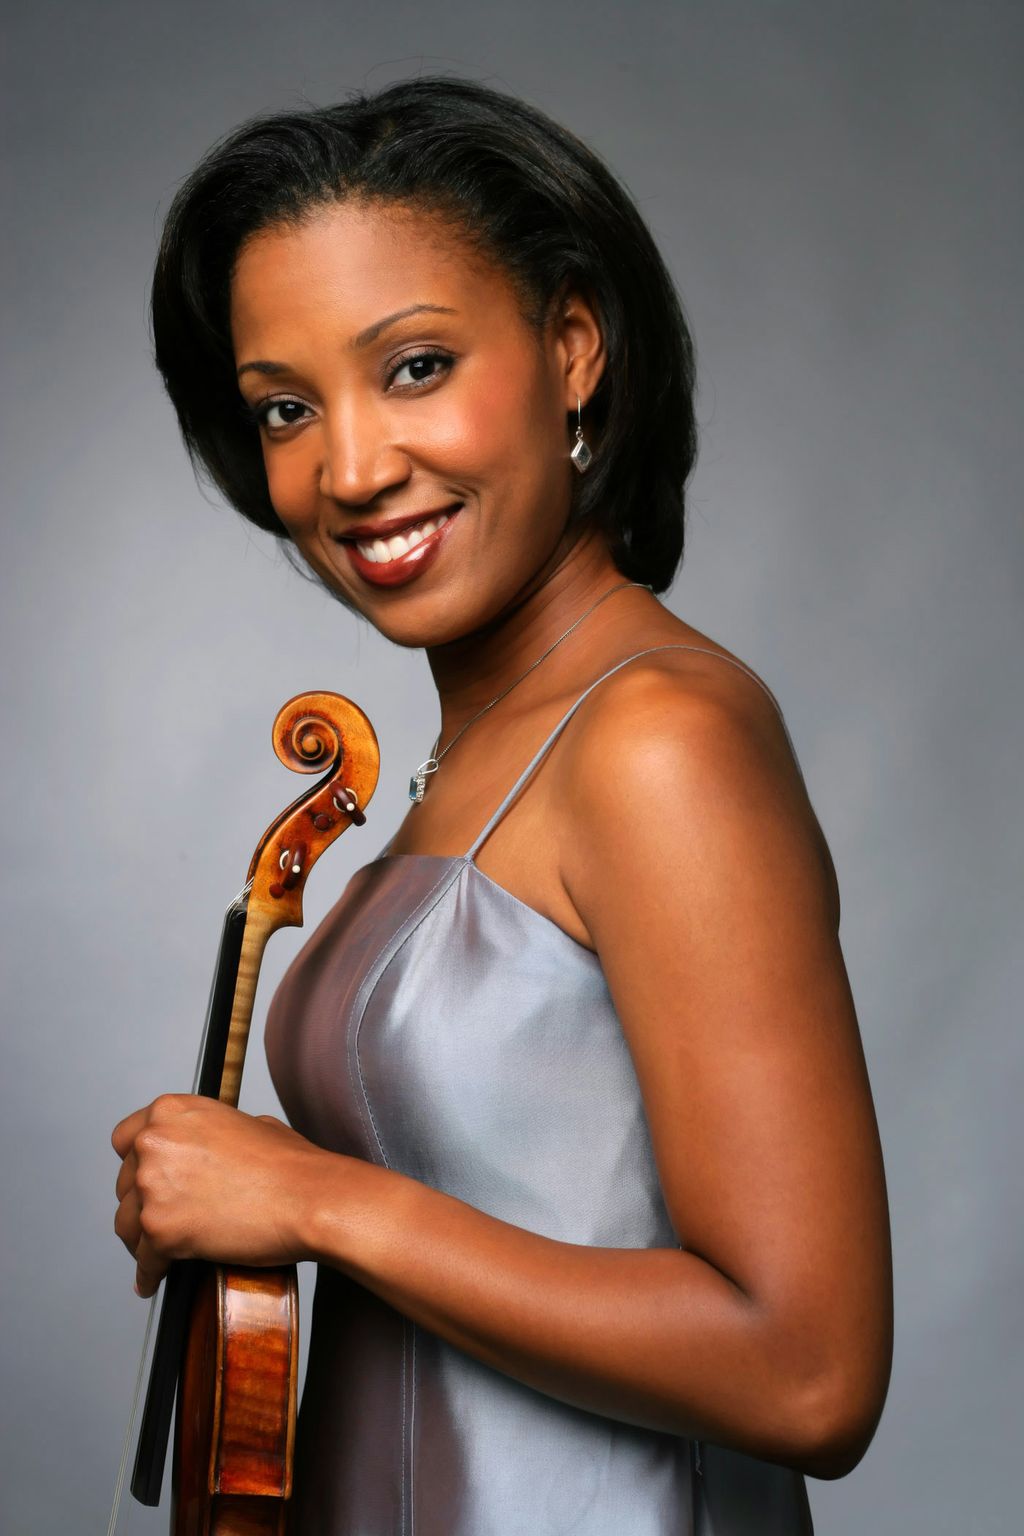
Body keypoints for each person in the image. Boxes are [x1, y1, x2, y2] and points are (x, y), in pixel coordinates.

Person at [111, 77, 893, 1534]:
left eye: (415, 367)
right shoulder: (474, 757)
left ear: (573, 347)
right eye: (287, 407)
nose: (352, 470)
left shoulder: (659, 738)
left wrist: (314, 1201)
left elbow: (809, 1374)